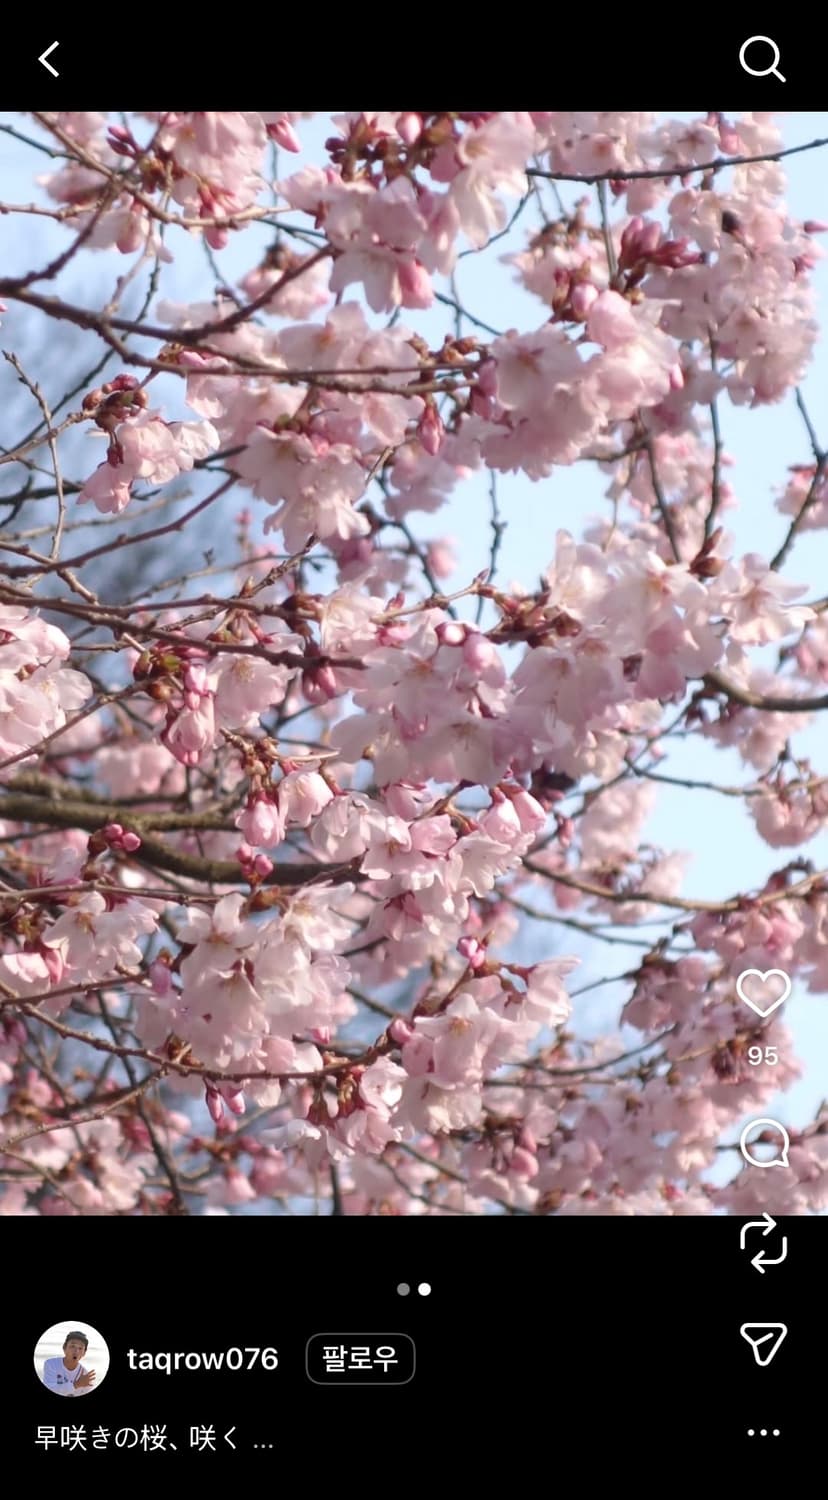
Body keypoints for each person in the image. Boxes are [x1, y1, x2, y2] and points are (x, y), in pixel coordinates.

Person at [41, 1331, 97, 1396]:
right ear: (64, 1348)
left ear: (84, 1353)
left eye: (80, 1348)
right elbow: (49, 1387)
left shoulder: (85, 1376)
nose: (76, 1351)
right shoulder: (51, 1364)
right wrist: (76, 1385)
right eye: (72, 1346)